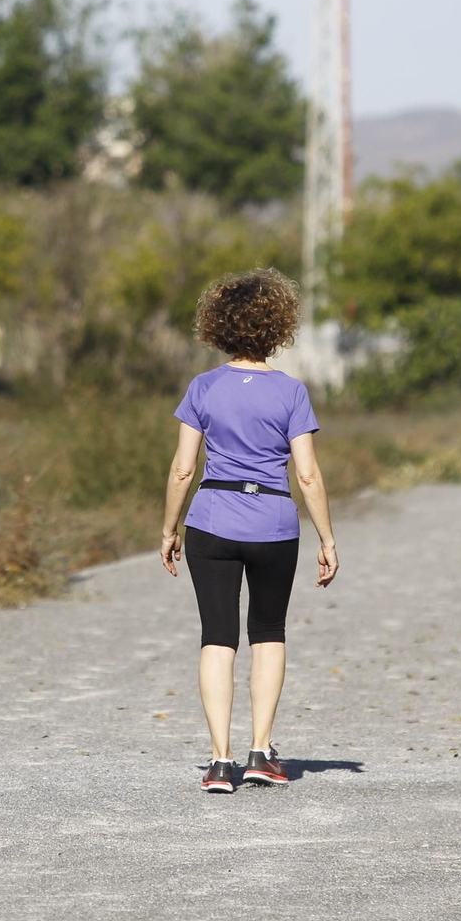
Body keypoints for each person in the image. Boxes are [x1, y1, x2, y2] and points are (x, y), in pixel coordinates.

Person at [160, 268, 339, 795]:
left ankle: (220, 761)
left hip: (211, 521)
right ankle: (261, 752)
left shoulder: (202, 387)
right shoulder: (291, 392)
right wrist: (327, 539)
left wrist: (169, 528)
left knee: (217, 637)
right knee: (268, 632)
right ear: (277, 328)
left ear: (217, 327)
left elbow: (182, 470)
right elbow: (306, 474)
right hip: (273, 524)